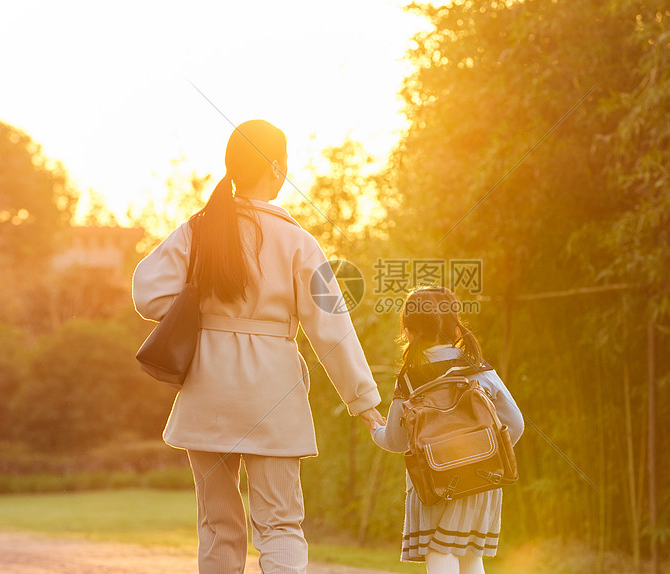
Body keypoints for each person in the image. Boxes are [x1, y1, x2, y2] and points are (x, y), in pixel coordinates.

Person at [132, 119, 385, 574]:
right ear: (274, 166)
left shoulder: (198, 229)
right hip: (273, 395)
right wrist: (363, 401)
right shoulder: (299, 242)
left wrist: (200, 308)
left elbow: (146, 293)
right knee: (281, 524)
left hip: (206, 395)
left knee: (217, 526)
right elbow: (333, 330)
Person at [364, 286, 524, 574]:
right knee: (470, 556)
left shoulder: (410, 378)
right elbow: (515, 423)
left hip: (436, 481)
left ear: (410, 332)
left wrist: (375, 427)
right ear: (456, 329)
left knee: (440, 552)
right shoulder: (478, 367)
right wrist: (481, 454)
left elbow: (397, 440)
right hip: (483, 478)